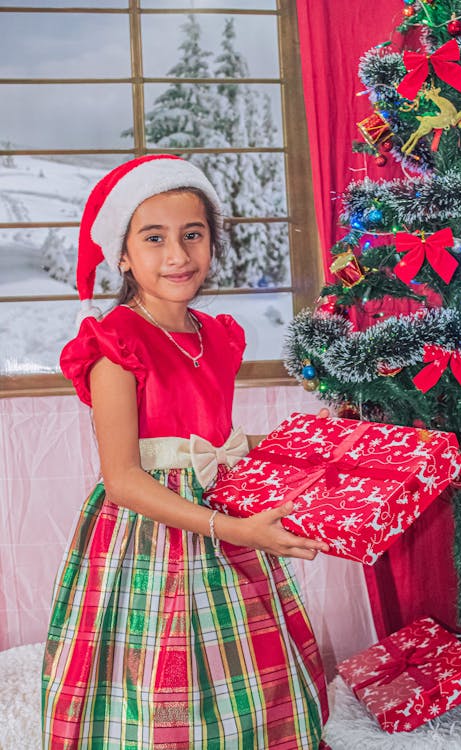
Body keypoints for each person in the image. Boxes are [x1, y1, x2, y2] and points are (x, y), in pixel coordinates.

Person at [41, 154, 330, 749]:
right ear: (123, 254)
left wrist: (301, 446)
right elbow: (121, 478)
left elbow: (214, 443)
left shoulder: (217, 336)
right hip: (150, 531)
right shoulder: (113, 340)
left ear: (211, 243)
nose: (178, 255)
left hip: (226, 511)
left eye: (192, 235)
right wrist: (235, 530)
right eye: (154, 238)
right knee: (158, 667)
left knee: (244, 657)